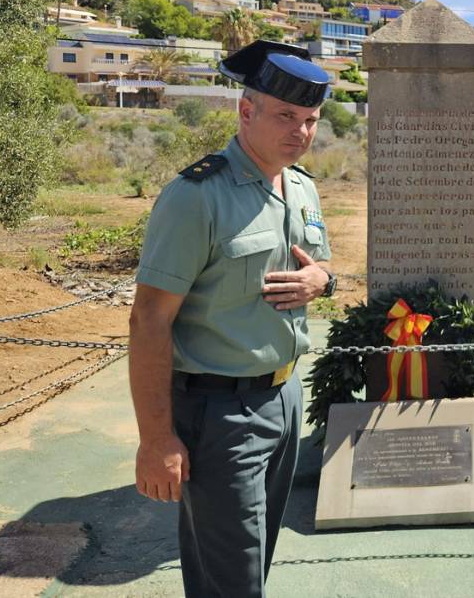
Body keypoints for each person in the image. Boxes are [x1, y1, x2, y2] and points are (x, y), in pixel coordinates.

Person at [129, 40, 338, 597]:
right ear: (246, 112)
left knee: (254, 564)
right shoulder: (196, 196)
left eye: (311, 120)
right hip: (220, 413)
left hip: (284, 398)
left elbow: (318, 269)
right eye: (287, 116)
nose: (301, 132)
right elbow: (149, 320)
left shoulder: (302, 188)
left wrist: (323, 281)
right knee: (232, 582)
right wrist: (156, 439)